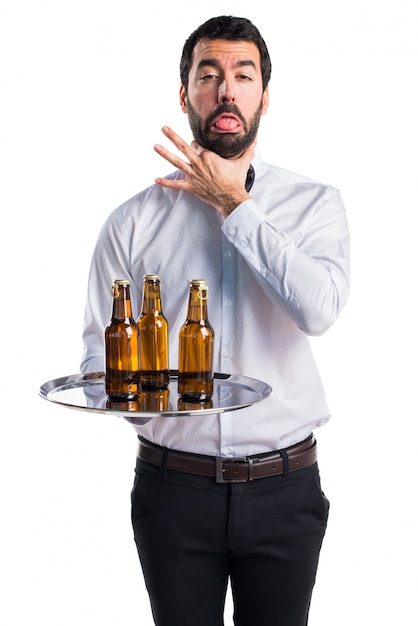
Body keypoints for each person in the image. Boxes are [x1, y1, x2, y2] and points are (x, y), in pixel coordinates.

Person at [81, 15, 350, 626]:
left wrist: (234, 203)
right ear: (186, 95)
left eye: (243, 74)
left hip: (285, 489)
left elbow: (319, 310)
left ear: (262, 95)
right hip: (174, 493)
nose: (227, 89)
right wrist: (155, 405)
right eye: (210, 74)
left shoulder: (315, 206)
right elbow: (99, 359)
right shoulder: (131, 224)